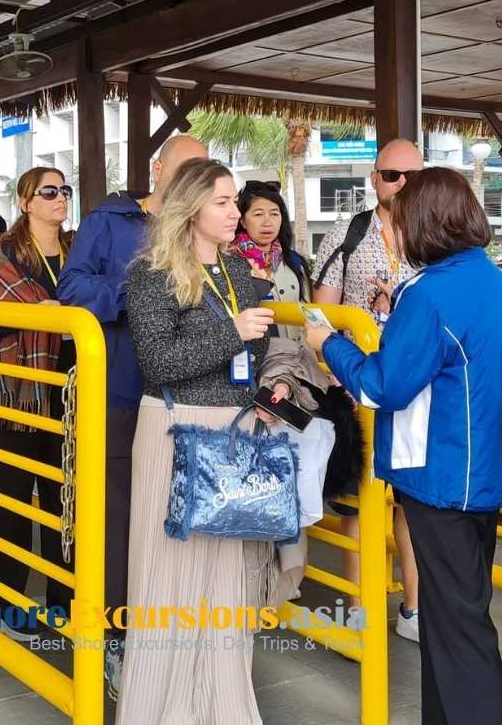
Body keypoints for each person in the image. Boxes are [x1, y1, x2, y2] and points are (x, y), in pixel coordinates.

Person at [307, 166, 502, 725]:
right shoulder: (493, 282)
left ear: (424, 223)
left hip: (442, 478)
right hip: (484, 472)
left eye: (399, 220)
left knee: (456, 628)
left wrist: (329, 343)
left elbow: (382, 385)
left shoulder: (431, 294)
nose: (394, 232)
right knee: (460, 618)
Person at [117, 157, 278, 725]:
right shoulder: (150, 274)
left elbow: (257, 351)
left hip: (236, 431)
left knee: (228, 579)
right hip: (175, 429)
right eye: (224, 202)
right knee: (169, 577)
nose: (237, 213)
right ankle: (160, 710)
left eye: (235, 202)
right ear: (190, 209)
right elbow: (160, 362)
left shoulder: (240, 272)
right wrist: (231, 333)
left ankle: (221, 707)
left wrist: (273, 378)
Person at [56, 133, 207, 693]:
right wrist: (135, 296)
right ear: (158, 169)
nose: (197, 178)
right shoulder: (112, 220)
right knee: (117, 522)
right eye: (187, 167)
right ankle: (111, 646)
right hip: (121, 391)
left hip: (190, 396)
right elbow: (72, 285)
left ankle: (172, 642)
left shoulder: (206, 227)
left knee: (178, 523)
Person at [312, 136, 425, 641]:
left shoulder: (434, 233)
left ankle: (414, 610)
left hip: (416, 389)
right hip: (357, 386)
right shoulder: (348, 230)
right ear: (373, 179)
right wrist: (337, 365)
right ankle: (360, 610)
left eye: (413, 176)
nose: (402, 184)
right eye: (392, 175)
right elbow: (322, 311)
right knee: (363, 497)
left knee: (410, 503)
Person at [0, 167, 75, 635]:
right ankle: (9, 606)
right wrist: (43, 313)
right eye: (49, 191)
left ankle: (62, 602)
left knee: (63, 502)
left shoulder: (80, 250)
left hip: (71, 391)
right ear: (26, 200)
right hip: (13, 395)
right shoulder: (2, 254)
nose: (60, 197)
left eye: (64, 190)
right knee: (8, 502)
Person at [233, 179, 312, 341]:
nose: (267, 222)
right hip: (255, 359)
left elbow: (310, 313)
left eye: (274, 214)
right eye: (258, 214)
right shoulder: (230, 263)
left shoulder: (294, 262)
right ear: (242, 221)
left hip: (297, 356)